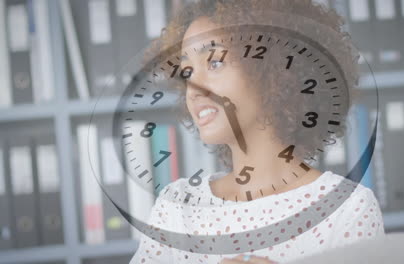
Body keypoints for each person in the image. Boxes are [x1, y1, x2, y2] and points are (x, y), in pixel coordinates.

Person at [130, 0, 384, 263]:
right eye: (187, 70)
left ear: (275, 69)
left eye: (215, 63)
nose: (193, 88)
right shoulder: (177, 207)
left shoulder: (346, 209)